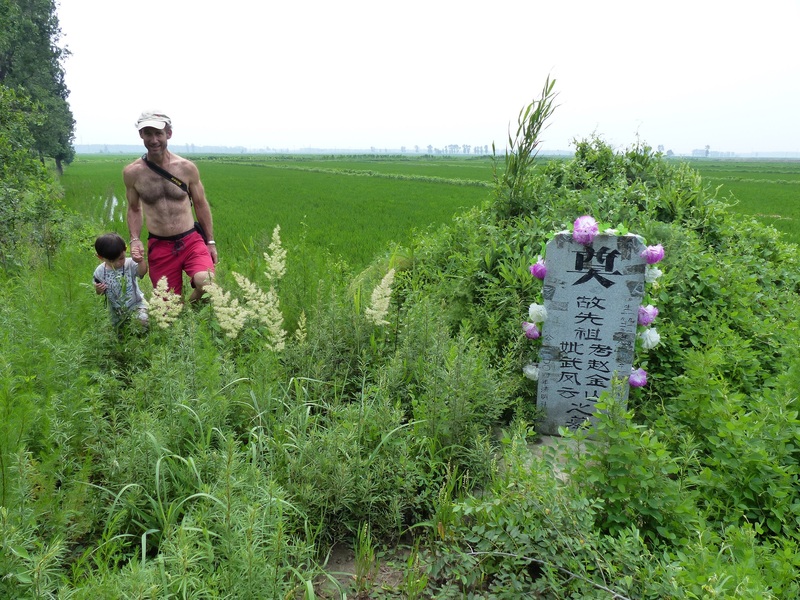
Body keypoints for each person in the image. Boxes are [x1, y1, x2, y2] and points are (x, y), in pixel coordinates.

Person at [123, 110, 218, 302]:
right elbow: (134, 208)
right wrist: (134, 239)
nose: (154, 139)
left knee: (206, 282)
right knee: (167, 309)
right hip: (160, 245)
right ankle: (181, 313)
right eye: (148, 133)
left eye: (159, 133)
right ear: (141, 135)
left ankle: (191, 306)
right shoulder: (132, 173)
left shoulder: (186, 168)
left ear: (169, 134)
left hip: (191, 240)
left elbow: (200, 204)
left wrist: (210, 241)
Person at [94, 232, 149, 329]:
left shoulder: (129, 263)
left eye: (121, 258)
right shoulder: (100, 272)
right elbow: (99, 292)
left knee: (142, 321)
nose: (117, 263)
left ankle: (142, 339)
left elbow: (142, 272)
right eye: (111, 261)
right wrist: (99, 290)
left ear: (125, 249)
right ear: (100, 257)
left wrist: (140, 261)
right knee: (120, 333)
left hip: (135, 305)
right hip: (116, 311)